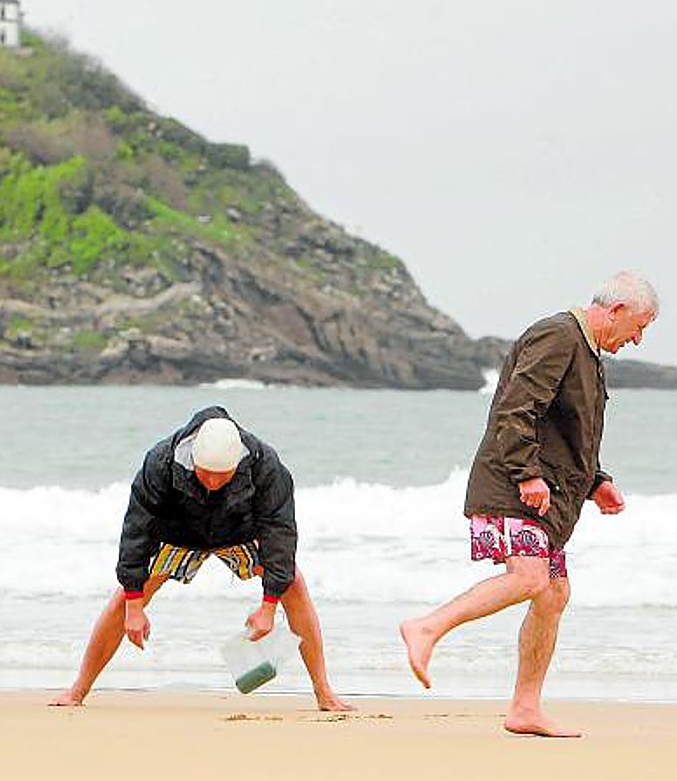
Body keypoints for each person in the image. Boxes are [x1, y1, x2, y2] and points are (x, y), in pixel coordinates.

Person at [400, 272, 659, 737]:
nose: (638, 339)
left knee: (553, 593)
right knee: (529, 577)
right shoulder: (558, 335)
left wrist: (597, 481)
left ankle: (525, 708)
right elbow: (515, 409)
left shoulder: (588, 352)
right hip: (512, 486)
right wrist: (527, 474)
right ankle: (426, 627)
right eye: (639, 327)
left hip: (546, 494)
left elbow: (567, 430)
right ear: (616, 310)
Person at [51, 406, 353, 711]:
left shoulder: (266, 465)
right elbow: (137, 530)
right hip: (178, 533)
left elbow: (280, 534)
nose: (212, 482)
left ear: (238, 463)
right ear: (193, 458)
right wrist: (134, 603)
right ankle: (77, 691)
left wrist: (268, 606)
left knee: (294, 583)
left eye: (222, 476)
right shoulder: (161, 462)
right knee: (127, 597)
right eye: (205, 473)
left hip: (239, 531)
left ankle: (324, 692)